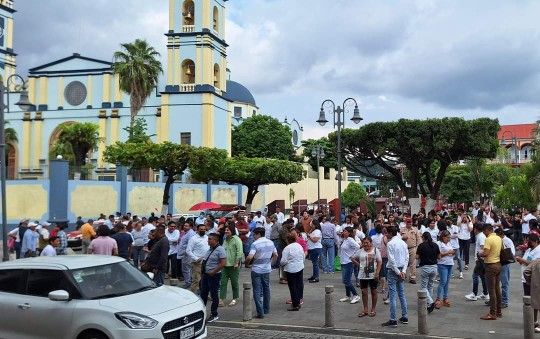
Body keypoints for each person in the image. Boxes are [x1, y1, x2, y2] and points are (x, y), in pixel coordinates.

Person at [246, 227, 277, 319]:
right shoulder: (271, 242)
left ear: (258, 234)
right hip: (266, 269)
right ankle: (266, 309)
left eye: (254, 234)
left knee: (257, 291)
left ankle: (260, 312)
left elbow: (249, 257)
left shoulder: (255, 244)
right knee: (266, 289)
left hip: (256, 269)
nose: (253, 236)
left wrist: (247, 264)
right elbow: (276, 255)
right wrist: (271, 264)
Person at [381, 226, 409, 328]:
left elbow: (392, 260)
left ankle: (393, 319)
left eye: (387, 233)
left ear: (390, 233)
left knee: (393, 295)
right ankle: (405, 316)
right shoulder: (403, 243)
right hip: (401, 269)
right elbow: (407, 258)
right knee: (401, 293)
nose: (386, 235)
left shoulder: (390, 243)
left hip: (394, 270)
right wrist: (403, 271)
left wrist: (398, 272)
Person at [352, 236, 382, 318]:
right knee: (364, 292)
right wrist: (359, 265)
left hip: (373, 275)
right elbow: (353, 258)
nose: (365, 244)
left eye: (367, 242)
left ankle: (373, 309)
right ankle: (365, 309)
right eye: (364, 243)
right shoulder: (360, 251)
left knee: (373, 291)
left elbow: (379, 262)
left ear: (371, 243)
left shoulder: (375, 250)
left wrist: (377, 272)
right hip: (362, 275)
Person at [200, 233, 227, 323]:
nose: (208, 240)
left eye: (210, 239)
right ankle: (202, 312)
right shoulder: (210, 249)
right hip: (206, 275)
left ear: (215, 240)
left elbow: (223, 263)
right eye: (208, 239)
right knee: (203, 294)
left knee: (214, 295)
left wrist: (213, 272)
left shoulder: (220, 249)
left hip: (213, 275)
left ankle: (214, 314)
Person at [479, 224, 502, 320]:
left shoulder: (488, 239)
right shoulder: (498, 238)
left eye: (484, 231)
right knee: (497, 289)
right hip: (498, 264)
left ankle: (492, 313)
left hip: (490, 266)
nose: (484, 233)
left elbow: (486, 253)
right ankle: (499, 311)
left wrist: (480, 253)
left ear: (487, 230)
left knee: (491, 290)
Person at [219, 223, 243, 307]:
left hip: (233, 265)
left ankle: (235, 298)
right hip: (225, 265)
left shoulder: (236, 239)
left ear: (232, 231)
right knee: (223, 283)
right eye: (225, 230)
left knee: (234, 283)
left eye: (227, 230)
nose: (226, 231)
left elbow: (239, 252)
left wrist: (236, 262)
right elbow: (222, 250)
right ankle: (221, 299)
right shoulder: (225, 239)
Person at [416, 231, 440, 313]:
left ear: (423, 237)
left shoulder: (421, 246)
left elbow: (416, 257)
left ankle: (430, 302)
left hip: (425, 267)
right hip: (434, 267)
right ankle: (429, 304)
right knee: (430, 286)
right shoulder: (435, 245)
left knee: (423, 287)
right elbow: (439, 256)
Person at [280, 232, 305, 311]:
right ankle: (299, 299)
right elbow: (303, 255)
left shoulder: (287, 248)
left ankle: (295, 304)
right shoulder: (299, 246)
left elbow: (283, 261)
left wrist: (282, 265)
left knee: (292, 286)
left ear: (287, 240)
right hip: (300, 266)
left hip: (291, 269)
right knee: (299, 284)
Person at [465, 223, 489, 301]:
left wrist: (479, 258)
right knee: (482, 277)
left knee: (475, 275)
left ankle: (474, 294)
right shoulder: (480, 236)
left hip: (480, 260)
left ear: (475, 229)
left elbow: (483, 248)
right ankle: (485, 293)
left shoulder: (481, 236)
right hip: (480, 260)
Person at [338, 226, 361, 304]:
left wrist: (353, 256)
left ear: (349, 233)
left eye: (345, 231)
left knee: (346, 280)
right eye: (343, 231)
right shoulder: (345, 240)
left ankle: (356, 295)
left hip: (348, 262)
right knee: (345, 280)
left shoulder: (350, 240)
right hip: (343, 262)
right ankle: (348, 296)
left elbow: (358, 247)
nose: (343, 232)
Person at [187, 224, 210, 293]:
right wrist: (196, 258)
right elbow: (188, 250)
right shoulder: (193, 239)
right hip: (197, 263)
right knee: (196, 280)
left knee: (206, 279)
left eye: (204, 229)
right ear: (197, 230)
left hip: (206, 262)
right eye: (201, 229)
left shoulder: (207, 237)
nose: (203, 231)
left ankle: (205, 293)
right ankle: (192, 294)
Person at [434, 230, 454, 309]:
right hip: (442, 264)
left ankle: (445, 297)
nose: (449, 239)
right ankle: (438, 298)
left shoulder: (449, 243)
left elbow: (452, 252)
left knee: (447, 282)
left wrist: (452, 252)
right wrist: (447, 253)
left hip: (450, 263)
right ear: (443, 237)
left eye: (449, 237)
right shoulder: (439, 244)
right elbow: (438, 255)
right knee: (443, 281)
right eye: (448, 237)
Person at [495, 228, 515, 308]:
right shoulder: (497, 240)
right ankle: (495, 300)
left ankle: (504, 301)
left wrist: (503, 252)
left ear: (501, 234)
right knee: (495, 283)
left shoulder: (508, 241)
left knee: (504, 283)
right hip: (497, 263)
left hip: (504, 264)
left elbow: (512, 253)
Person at [399, 217, 421, 284]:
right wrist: (402, 237)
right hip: (403, 249)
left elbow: (419, 240)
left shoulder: (415, 230)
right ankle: (403, 275)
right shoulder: (402, 230)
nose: (409, 224)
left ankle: (412, 277)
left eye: (410, 222)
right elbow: (398, 238)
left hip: (412, 248)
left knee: (413, 263)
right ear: (406, 223)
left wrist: (417, 249)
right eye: (408, 222)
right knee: (403, 263)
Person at [178, 220, 196, 289]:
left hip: (187, 254)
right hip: (185, 254)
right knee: (187, 269)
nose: (184, 227)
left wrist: (186, 252)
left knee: (186, 269)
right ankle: (189, 281)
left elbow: (190, 245)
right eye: (184, 225)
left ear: (190, 227)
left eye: (186, 226)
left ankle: (188, 282)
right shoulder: (187, 233)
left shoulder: (191, 234)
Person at [524, 258, 540, 333]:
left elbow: (526, 271)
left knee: (535, 303)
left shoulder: (536, 261)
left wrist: (530, 281)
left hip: (536, 286)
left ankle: (535, 321)